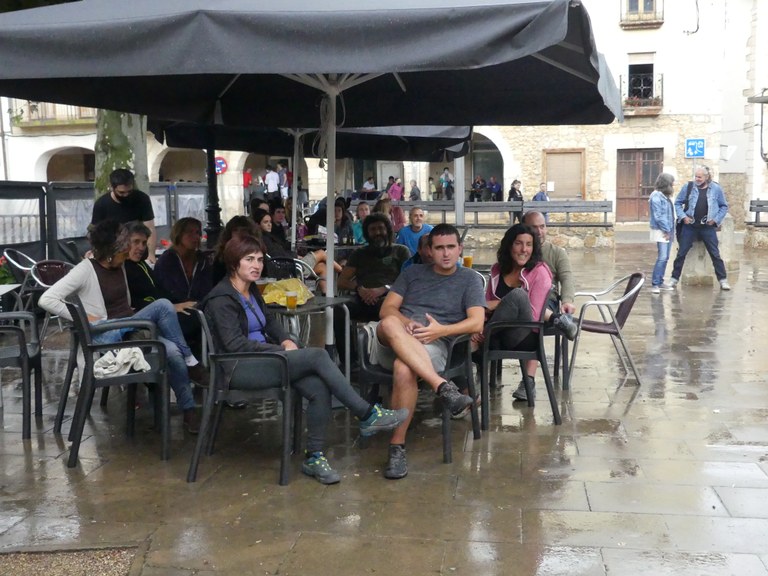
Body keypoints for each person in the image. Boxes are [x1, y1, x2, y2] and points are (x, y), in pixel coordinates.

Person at [200, 233, 409, 484]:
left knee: (318, 386)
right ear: (234, 262)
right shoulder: (221, 298)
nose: (257, 265)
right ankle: (366, 414)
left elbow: (270, 323)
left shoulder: (250, 290)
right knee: (318, 355)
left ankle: (314, 457)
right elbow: (234, 345)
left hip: (265, 360)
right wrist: (279, 349)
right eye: (249, 259)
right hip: (237, 368)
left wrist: (285, 340)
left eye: (259, 260)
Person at [39, 220, 204, 433]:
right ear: (111, 250)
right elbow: (47, 299)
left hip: (129, 327)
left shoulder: (121, 267)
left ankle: (188, 410)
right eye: (125, 247)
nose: (128, 252)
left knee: (173, 351)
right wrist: (84, 317)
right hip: (106, 334)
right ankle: (193, 363)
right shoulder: (85, 270)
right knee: (163, 306)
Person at [374, 224, 486, 479]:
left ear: (460, 249)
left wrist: (440, 331)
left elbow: (476, 322)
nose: (446, 253)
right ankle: (441, 386)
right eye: (439, 248)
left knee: (404, 368)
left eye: (450, 247)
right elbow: (386, 310)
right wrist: (407, 323)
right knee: (389, 322)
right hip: (392, 339)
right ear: (429, 251)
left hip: (434, 344)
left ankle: (396, 447)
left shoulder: (469, 279)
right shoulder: (412, 273)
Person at [480, 224, 553, 402]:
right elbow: (484, 306)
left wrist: (499, 304)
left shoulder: (539, 271)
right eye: (518, 243)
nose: (524, 249)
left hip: (524, 335)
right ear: (509, 245)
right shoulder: (497, 270)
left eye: (529, 244)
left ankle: (481, 337)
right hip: (496, 333)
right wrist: (480, 321)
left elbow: (534, 315)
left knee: (519, 296)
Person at [335, 213, 411, 366]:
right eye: (373, 229)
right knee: (339, 309)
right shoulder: (359, 253)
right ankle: (350, 362)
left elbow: (409, 280)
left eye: (381, 228)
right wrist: (359, 289)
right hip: (361, 298)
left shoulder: (401, 251)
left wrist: (384, 289)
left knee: (390, 308)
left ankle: (389, 360)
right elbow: (341, 281)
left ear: (388, 230)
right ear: (367, 233)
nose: (377, 233)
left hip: (390, 299)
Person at [123, 221, 202, 356]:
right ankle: (191, 358)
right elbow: (133, 302)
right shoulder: (123, 268)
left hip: (164, 310)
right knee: (192, 321)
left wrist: (181, 303)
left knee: (198, 312)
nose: (141, 247)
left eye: (144, 243)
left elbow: (160, 290)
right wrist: (172, 306)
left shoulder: (142, 265)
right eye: (136, 242)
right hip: (147, 318)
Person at [670, 165, 730, 291]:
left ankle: (723, 280)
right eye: (696, 176)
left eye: (700, 177)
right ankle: (674, 279)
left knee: (715, 254)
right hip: (690, 226)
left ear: (706, 177)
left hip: (707, 227)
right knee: (681, 253)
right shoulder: (689, 187)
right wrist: (683, 217)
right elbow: (678, 203)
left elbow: (724, 206)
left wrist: (716, 219)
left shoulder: (716, 189)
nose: (697, 179)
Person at [521, 211, 578, 339]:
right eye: (534, 227)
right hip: (521, 299)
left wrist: (567, 301)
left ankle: (557, 320)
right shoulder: (518, 251)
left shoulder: (557, 253)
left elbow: (567, 278)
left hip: (547, 302)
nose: (539, 232)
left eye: (542, 227)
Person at [91, 168, 157, 264]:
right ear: (112, 187)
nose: (126, 195)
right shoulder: (101, 204)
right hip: (114, 255)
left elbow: (150, 228)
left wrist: (151, 254)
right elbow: (96, 234)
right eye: (121, 192)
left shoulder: (142, 199)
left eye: (129, 191)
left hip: (138, 254)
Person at [153, 217, 214, 304]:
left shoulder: (202, 261)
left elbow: (207, 290)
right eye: (190, 232)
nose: (196, 237)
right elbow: (164, 293)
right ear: (178, 234)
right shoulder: (166, 261)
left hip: (201, 308)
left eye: (197, 232)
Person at [648, 173, 677, 294]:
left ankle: (660, 281)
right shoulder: (656, 196)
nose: (673, 184)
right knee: (662, 257)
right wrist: (666, 230)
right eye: (672, 182)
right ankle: (655, 283)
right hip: (662, 230)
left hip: (669, 229)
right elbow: (658, 215)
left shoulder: (666, 196)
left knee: (666, 257)